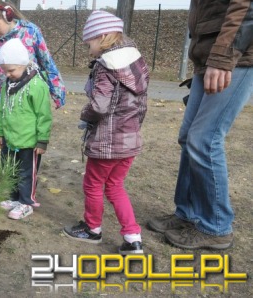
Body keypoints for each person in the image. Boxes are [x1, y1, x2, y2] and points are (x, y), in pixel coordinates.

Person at [147, 0, 253, 250]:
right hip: (208, 56)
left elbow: (246, 7)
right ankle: (187, 213)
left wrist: (222, 58)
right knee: (188, 137)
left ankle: (216, 226)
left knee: (204, 139)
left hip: (233, 56)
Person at [62, 11, 150, 255]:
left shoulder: (107, 67)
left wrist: (85, 114)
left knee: (92, 184)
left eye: (88, 41)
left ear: (102, 37)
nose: (87, 46)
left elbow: (100, 105)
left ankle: (92, 229)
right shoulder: (136, 63)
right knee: (115, 186)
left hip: (108, 143)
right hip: (130, 140)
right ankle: (133, 239)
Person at [0, 0, 66, 123]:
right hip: (6, 105)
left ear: (7, 15)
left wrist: (57, 92)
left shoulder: (30, 32)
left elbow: (47, 63)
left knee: (28, 139)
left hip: (30, 103)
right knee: (8, 140)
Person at [0, 38, 53, 220]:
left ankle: (26, 202)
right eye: (5, 71)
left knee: (26, 173)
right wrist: (0, 132)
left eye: (11, 70)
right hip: (10, 140)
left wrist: (42, 140)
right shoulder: (8, 84)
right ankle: (14, 198)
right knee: (10, 170)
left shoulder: (37, 85)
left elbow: (44, 115)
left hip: (29, 142)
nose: (8, 74)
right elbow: (2, 108)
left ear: (23, 63)